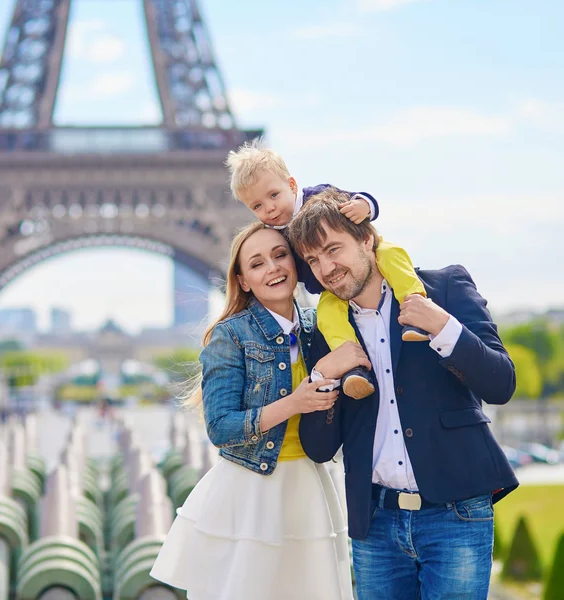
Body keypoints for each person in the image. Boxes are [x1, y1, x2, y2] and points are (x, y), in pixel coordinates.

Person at [286, 188, 519, 600]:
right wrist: (323, 376)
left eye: (333, 249)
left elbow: (501, 384)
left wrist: (444, 327)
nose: (325, 269)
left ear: (365, 238)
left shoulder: (443, 288)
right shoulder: (324, 330)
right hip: (374, 525)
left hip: (456, 515)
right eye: (313, 260)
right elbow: (320, 447)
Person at [150, 222, 355, 600]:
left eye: (280, 256)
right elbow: (220, 427)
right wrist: (296, 402)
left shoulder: (323, 327)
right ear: (242, 280)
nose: (273, 268)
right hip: (252, 489)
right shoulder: (230, 335)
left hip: (311, 487)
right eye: (257, 263)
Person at [226, 138, 429, 402]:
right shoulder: (274, 237)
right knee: (327, 316)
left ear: (292, 185)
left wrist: (364, 206)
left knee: (391, 254)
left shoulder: (319, 196)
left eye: (273, 195)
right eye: (257, 206)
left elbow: (362, 201)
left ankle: (415, 308)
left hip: (372, 255)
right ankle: (353, 365)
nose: (270, 208)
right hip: (330, 289)